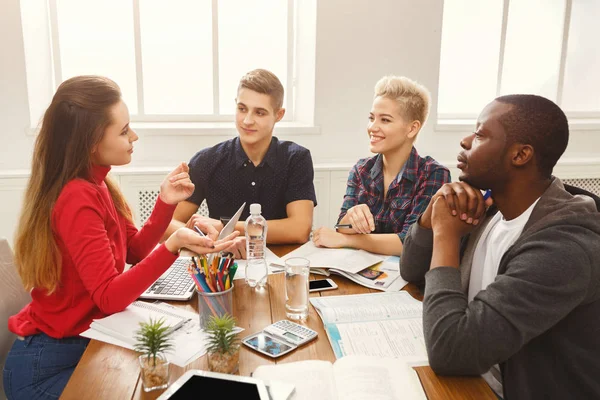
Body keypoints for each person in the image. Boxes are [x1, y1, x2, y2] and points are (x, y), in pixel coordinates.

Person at [3, 76, 236, 400]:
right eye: (124, 130)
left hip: (82, 343)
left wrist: (165, 203)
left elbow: (136, 250)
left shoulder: (97, 184)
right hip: (47, 367)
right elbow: (108, 297)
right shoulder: (77, 198)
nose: (134, 136)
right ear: (91, 142)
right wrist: (172, 244)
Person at [400, 94, 600, 399]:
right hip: (475, 379)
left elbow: (451, 352)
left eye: (480, 134)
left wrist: (446, 236)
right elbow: (412, 271)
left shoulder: (564, 249)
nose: (466, 141)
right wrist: (430, 219)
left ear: (520, 155)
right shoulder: (491, 206)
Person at [163, 69, 317, 258]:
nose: (247, 120)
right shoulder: (207, 160)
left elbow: (299, 229)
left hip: (281, 265)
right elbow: (167, 225)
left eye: (260, 113)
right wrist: (208, 236)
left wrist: (224, 227)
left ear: (279, 114)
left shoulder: (296, 158)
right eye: (242, 109)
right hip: (222, 265)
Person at [312, 75, 450, 256]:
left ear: (412, 128)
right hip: (362, 272)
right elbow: (341, 227)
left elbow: (408, 243)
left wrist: (347, 240)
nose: (372, 127)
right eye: (371, 118)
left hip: (407, 279)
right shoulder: (361, 170)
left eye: (385, 120)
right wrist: (352, 216)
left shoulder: (434, 175)